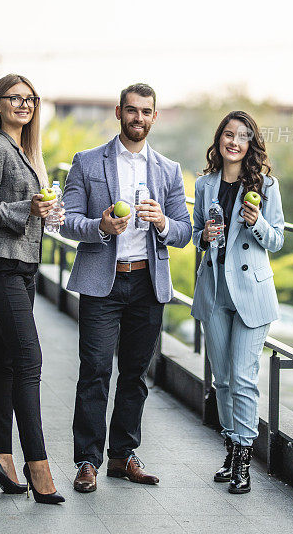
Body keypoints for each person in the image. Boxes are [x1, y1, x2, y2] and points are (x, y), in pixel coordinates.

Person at [62, 83, 192, 493]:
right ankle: (87, 460)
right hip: (103, 281)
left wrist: (163, 223)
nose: (139, 118)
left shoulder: (168, 171)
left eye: (146, 111)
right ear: (119, 112)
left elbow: (185, 233)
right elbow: (65, 220)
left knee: (135, 374)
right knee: (96, 372)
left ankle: (123, 455)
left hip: (147, 283)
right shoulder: (86, 162)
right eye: (132, 110)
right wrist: (99, 226)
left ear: (155, 116)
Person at [0, 73, 65, 504]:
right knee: (29, 360)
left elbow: (26, 212)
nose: (24, 104)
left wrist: (48, 213)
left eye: (30, 98)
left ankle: (0, 455)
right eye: (14, 98)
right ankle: (37, 465)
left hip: (22, 268)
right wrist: (29, 207)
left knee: (6, 362)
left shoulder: (27, 153)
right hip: (1, 268)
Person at [191, 111, 284, 494]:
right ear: (220, 140)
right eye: (228, 134)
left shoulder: (266, 185)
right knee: (222, 380)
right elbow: (196, 231)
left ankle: (244, 459)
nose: (234, 142)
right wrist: (204, 234)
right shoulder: (204, 184)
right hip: (214, 291)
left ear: (250, 144)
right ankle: (231, 447)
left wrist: (257, 221)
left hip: (251, 293)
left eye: (242, 137)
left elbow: (277, 239)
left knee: (244, 378)